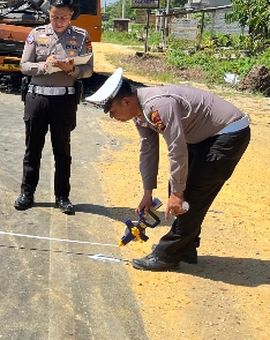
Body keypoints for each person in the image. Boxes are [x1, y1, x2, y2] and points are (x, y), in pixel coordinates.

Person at [86, 68, 251, 271]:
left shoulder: (158, 106)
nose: (112, 117)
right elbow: (148, 150)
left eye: (112, 111)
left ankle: (167, 255)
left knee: (192, 194)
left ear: (126, 101)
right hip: (204, 136)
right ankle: (186, 247)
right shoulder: (139, 112)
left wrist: (178, 193)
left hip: (228, 134)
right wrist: (148, 193)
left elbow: (176, 149)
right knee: (177, 188)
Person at [14, 0, 93, 215]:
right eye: (55, 17)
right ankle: (27, 193)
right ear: (49, 13)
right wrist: (44, 67)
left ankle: (62, 196)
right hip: (37, 98)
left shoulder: (81, 37)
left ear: (71, 17)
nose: (58, 22)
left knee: (62, 150)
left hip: (64, 100)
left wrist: (72, 69)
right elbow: (24, 65)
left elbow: (89, 70)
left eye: (64, 18)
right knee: (33, 149)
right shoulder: (37, 34)